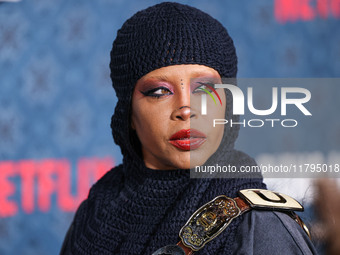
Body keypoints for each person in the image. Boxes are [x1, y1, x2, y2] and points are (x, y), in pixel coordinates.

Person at [60, 2, 317, 254]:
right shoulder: (97, 211)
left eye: (204, 89)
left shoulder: (259, 226)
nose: (186, 108)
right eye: (160, 91)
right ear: (129, 114)